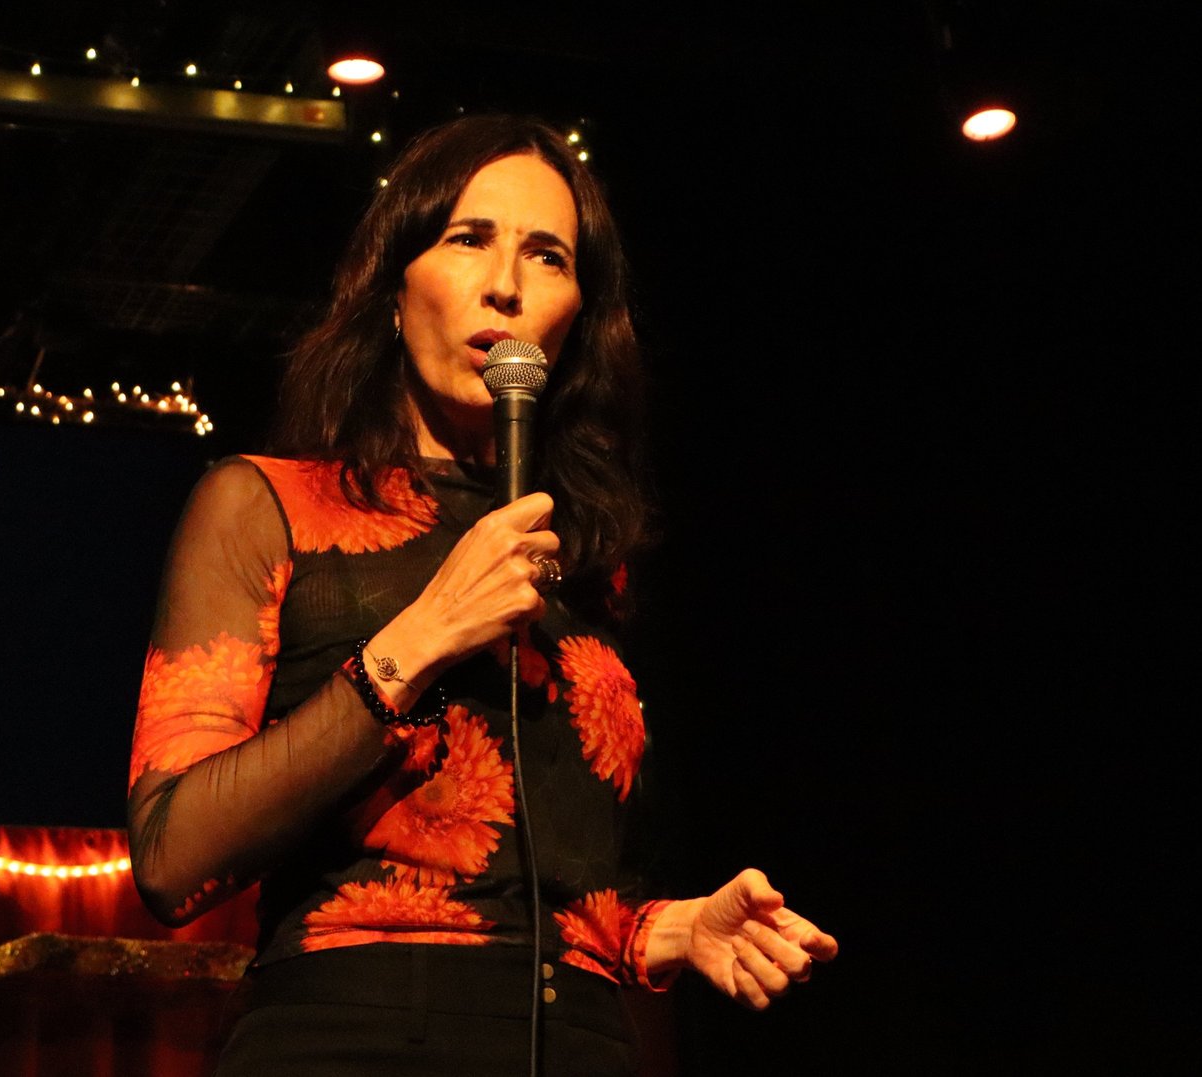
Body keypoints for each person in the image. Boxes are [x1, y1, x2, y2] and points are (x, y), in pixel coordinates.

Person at [126, 113, 836, 1075]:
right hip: (354, 1035)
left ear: (577, 317)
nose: (507, 282)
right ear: (393, 286)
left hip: (578, 1041)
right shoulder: (267, 506)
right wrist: (418, 639)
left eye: (547, 255)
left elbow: (559, 877)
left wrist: (667, 929)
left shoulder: (589, 557)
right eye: (469, 239)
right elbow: (171, 855)